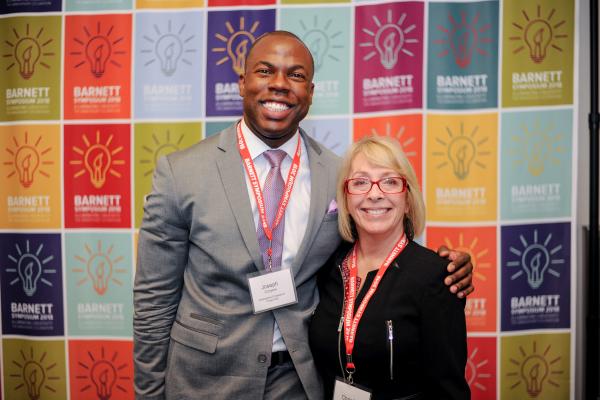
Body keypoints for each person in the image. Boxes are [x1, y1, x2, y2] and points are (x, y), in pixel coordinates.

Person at [133, 31, 473, 400]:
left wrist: (445, 268)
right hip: (207, 379)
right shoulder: (181, 172)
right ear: (242, 82)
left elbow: (377, 249)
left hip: (301, 381)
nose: (280, 85)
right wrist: (149, 393)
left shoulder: (338, 175)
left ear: (310, 92)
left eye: (295, 75)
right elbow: (154, 298)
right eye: (265, 71)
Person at [309, 136, 470, 400]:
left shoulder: (436, 277)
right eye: (360, 182)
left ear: (408, 201)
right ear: (346, 200)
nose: (374, 194)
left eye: (390, 181)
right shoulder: (329, 268)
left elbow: (448, 391)